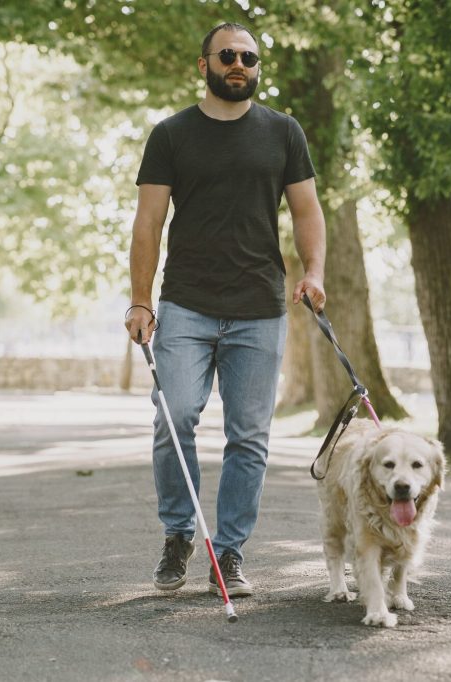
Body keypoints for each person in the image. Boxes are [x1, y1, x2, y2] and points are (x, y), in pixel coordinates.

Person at [124, 22, 327, 598]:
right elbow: (148, 222)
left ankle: (228, 551)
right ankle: (178, 534)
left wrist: (313, 272)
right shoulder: (170, 135)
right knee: (175, 416)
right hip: (185, 305)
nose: (240, 64)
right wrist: (141, 299)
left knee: (249, 437)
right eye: (229, 56)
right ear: (205, 64)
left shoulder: (284, 132)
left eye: (251, 58)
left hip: (260, 309)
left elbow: (307, 210)